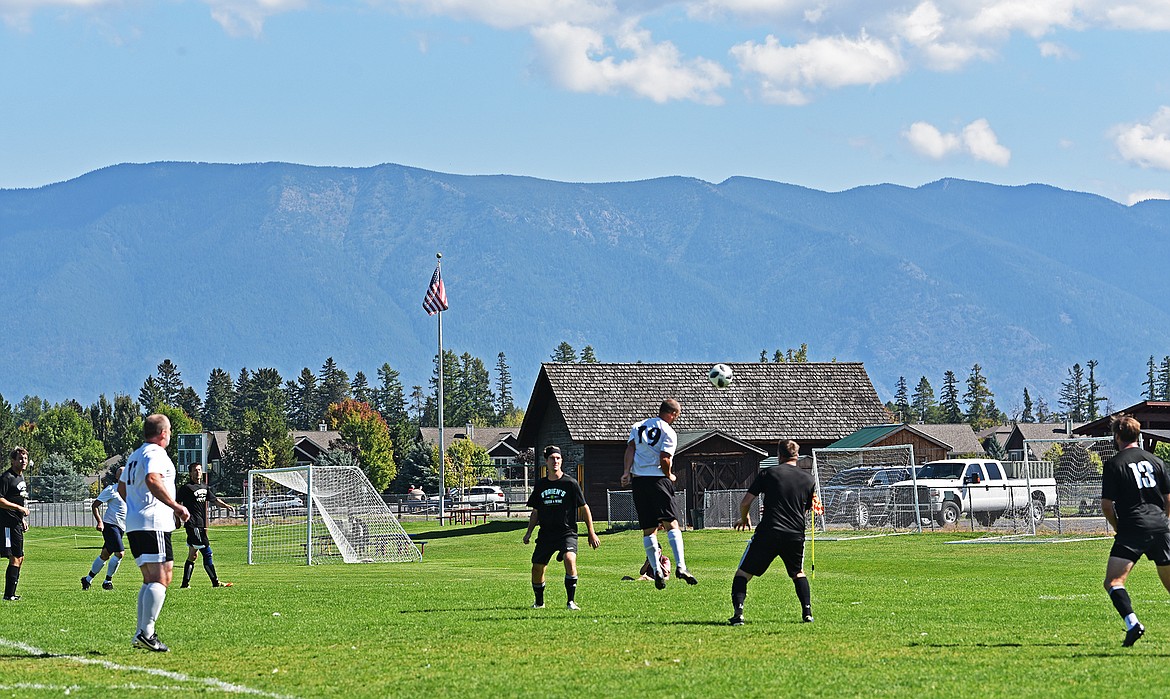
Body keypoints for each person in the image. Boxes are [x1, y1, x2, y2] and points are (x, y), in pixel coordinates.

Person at [119, 414, 190, 652]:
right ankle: (147, 633)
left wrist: (136, 507)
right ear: (163, 433)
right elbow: (152, 478)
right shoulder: (155, 453)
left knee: (150, 579)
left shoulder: (135, 455)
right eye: (169, 430)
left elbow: (121, 487)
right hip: (153, 523)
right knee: (162, 577)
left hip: (136, 522)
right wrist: (176, 507)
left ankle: (140, 634)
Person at [729, 439, 816, 626]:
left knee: (743, 573)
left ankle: (739, 613)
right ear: (797, 456)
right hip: (794, 533)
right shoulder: (809, 480)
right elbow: (806, 509)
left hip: (769, 531)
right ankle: (807, 613)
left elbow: (745, 502)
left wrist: (744, 518)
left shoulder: (768, 473)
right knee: (798, 573)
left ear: (779, 455)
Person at [1101, 414, 1170, 647]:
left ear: (1117, 436)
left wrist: (1117, 527)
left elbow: (1107, 506)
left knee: (1114, 581)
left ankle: (1133, 624)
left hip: (1132, 527)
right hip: (1161, 526)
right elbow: (1168, 499)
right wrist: (1163, 522)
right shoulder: (1157, 461)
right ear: (1138, 435)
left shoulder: (1114, 464)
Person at [620, 398, 697, 588]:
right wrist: (669, 474)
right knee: (672, 524)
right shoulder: (668, 431)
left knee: (649, 529)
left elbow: (630, 448)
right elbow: (665, 458)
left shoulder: (638, 426)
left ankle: (656, 570)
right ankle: (681, 566)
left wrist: (626, 472)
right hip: (658, 481)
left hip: (639, 481)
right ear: (673, 414)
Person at [523, 445, 600, 610]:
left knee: (570, 559)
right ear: (546, 461)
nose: (555, 461)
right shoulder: (540, 485)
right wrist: (528, 532)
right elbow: (535, 511)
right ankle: (539, 603)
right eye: (552, 458)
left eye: (558, 458)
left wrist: (591, 533)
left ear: (561, 461)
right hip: (546, 534)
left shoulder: (570, 483)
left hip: (567, 532)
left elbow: (584, 508)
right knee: (537, 568)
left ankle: (571, 602)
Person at [175, 463, 235, 589]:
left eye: (199, 470)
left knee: (193, 555)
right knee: (207, 553)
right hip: (193, 525)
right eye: (195, 470)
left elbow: (214, 500)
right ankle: (215, 582)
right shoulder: (186, 488)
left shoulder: (204, 486)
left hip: (201, 525)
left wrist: (227, 506)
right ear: (190, 473)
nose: (198, 472)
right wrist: (178, 520)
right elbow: (177, 504)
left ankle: (185, 584)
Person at [82, 466, 127, 591]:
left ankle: (87, 580)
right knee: (120, 553)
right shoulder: (111, 490)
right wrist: (100, 522)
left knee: (105, 555)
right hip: (110, 526)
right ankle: (107, 581)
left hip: (121, 527)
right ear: (117, 477)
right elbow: (95, 505)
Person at [0, 447, 30, 602]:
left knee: (20, 557)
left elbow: (17, 498)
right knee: (15, 557)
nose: (23, 461)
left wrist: (22, 519)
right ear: (12, 460)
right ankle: (8, 595)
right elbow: (0, 499)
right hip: (7, 524)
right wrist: (19, 508)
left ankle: (11, 593)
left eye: (25, 458)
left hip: (16, 522)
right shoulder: (7, 477)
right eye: (20, 458)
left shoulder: (20, 477)